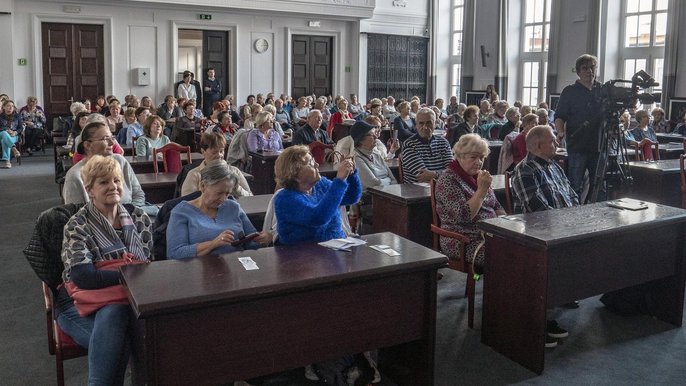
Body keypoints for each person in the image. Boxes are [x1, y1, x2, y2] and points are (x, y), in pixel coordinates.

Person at [58, 155, 152, 385]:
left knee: (117, 317)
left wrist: (119, 273)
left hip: (127, 302)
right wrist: (129, 272)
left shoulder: (139, 217)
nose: (113, 187)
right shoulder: (77, 224)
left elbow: (150, 266)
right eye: (104, 182)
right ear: (89, 190)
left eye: (117, 180)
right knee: (125, 335)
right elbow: (84, 277)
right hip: (77, 304)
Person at [510, 125, 578, 347]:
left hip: (565, 225)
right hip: (541, 234)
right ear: (538, 145)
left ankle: (566, 290)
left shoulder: (555, 166)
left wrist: (578, 217)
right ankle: (539, 313)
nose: (557, 144)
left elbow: (572, 195)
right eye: (552, 141)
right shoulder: (525, 170)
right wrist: (567, 223)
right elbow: (537, 209)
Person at [436, 134, 505, 274]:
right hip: (463, 240)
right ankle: (497, 294)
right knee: (506, 256)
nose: (479, 162)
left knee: (524, 249)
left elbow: (496, 205)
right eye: (473, 157)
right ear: (460, 156)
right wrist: (482, 190)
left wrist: (507, 225)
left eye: (482, 157)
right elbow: (464, 216)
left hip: (489, 236)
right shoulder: (448, 180)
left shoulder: (478, 176)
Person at [167, 162, 263, 259]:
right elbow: (175, 253)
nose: (223, 199)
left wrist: (262, 239)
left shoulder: (233, 207)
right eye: (219, 193)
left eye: (227, 194)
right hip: (200, 270)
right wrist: (213, 244)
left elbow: (253, 241)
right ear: (203, 186)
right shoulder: (181, 212)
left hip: (237, 265)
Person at [273, 145, 361, 245]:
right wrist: (340, 180)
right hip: (302, 255)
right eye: (310, 163)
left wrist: (351, 175)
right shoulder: (285, 199)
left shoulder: (321, 184)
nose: (317, 165)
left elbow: (352, 197)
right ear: (294, 174)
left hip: (336, 247)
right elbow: (318, 218)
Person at [554, 54, 604, 200]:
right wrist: (561, 132)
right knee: (576, 184)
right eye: (585, 68)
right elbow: (559, 116)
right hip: (577, 144)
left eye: (592, 67)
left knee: (599, 185)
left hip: (599, 145)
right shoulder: (570, 91)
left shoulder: (601, 90)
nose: (589, 71)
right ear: (578, 71)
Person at [63, 121, 146, 206]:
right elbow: (76, 214)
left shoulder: (120, 161)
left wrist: (128, 215)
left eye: (112, 138)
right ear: (87, 145)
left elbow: (138, 194)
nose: (112, 143)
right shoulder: (75, 176)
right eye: (105, 139)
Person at [181, 131, 252, 197]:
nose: (219, 155)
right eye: (214, 152)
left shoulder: (234, 171)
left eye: (221, 151)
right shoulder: (194, 175)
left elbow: (250, 198)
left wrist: (236, 188)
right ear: (203, 151)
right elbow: (186, 203)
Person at [400, 108, 452, 183]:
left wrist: (434, 174)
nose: (425, 127)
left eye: (429, 123)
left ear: (435, 123)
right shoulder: (409, 145)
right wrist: (443, 174)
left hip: (442, 188)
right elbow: (423, 176)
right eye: (421, 123)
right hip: (416, 191)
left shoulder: (443, 142)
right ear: (416, 125)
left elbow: (453, 171)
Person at [351, 120, 397, 189]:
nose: (376, 137)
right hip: (371, 197)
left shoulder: (376, 154)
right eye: (371, 135)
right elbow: (373, 184)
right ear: (360, 140)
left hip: (390, 193)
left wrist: (386, 183)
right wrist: (388, 180)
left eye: (375, 133)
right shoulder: (356, 158)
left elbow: (393, 179)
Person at [0, 99, 23, 168]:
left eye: (12, 106)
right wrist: (7, 130)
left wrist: (15, 132)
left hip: (14, 136)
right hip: (1, 134)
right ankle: (14, 149)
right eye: (8, 106)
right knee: (4, 133)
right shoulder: (0, 116)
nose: (10, 108)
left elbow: (20, 128)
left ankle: (7, 162)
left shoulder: (17, 116)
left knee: (4, 140)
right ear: (3, 107)